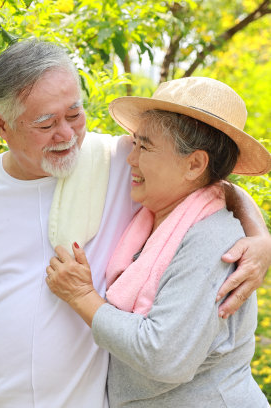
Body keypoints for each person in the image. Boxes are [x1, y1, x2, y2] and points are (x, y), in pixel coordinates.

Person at [0, 40, 271, 407]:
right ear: (2, 124)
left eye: (74, 114)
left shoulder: (120, 161)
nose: (66, 134)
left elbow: (208, 183)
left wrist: (261, 237)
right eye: (45, 122)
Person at [46, 76, 271, 407]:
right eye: (134, 143)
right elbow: (226, 188)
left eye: (145, 146)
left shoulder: (214, 239)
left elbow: (165, 356)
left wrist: (82, 297)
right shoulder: (157, 209)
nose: (130, 159)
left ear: (194, 164)